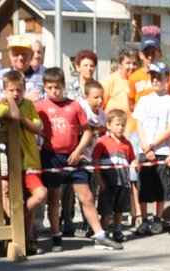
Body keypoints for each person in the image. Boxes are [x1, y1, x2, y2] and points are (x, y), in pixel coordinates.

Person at [37, 66, 118, 251]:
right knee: (54, 197)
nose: (54, 91)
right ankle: (57, 236)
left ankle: (100, 235)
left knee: (87, 196)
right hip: (51, 157)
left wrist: (78, 150)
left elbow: (87, 131)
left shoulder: (74, 106)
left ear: (64, 85)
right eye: (49, 88)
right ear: (45, 88)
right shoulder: (40, 106)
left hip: (74, 156)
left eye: (57, 87)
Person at [0, 68, 45, 254]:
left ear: (24, 89)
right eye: (11, 90)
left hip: (30, 159)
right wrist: (8, 101)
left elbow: (37, 127)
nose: (16, 94)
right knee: (8, 195)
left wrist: (24, 118)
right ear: (5, 90)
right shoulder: (2, 106)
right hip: (12, 161)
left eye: (19, 90)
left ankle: (21, 226)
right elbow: (12, 115)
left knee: (39, 194)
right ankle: (19, 233)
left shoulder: (29, 105)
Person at [133, 65, 170, 233]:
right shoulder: (144, 100)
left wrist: (153, 145)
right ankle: (144, 219)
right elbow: (138, 124)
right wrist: (145, 146)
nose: (155, 80)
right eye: (153, 77)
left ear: (167, 79)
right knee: (144, 186)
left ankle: (157, 218)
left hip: (162, 150)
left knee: (160, 187)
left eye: (159, 77)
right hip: (145, 149)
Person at [91, 109, 135, 242]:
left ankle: (117, 229)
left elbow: (132, 159)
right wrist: (99, 180)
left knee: (119, 208)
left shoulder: (127, 144)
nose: (120, 128)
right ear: (109, 125)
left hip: (123, 182)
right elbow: (95, 161)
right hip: (107, 182)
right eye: (117, 124)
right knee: (106, 209)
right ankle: (103, 231)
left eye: (123, 125)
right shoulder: (102, 141)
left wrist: (134, 165)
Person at [7, 33, 44, 99]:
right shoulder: (0, 76)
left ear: (30, 55)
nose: (20, 57)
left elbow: (34, 99)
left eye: (24, 54)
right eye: (16, 54)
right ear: (9, 56)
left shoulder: (40, 77)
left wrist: (7, 96)